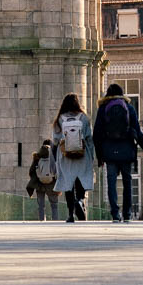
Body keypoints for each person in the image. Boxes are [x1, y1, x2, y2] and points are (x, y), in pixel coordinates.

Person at [93, 82, 143, 222]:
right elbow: (137, 132)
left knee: (111, 183)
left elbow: (96, 134)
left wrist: (99, 156)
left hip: (109, 151)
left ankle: (115, 214)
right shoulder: (129, 108)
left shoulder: (103, 109)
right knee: (127, 183)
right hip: (127, 150)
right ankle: (127, 214)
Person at [51, 92, 94, 221]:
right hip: (82, 154)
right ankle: (80, 201)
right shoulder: (84, 118)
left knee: (68, 185)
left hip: (65, 156)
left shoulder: (60, 119)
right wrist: (92, 156)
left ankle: (70, 214)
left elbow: (55, 139)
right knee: (80, 181)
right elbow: (89, 138)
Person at [25, 139, 60, 220]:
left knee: (41, 206)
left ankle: (41, 221)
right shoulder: (54, 157)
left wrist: (37, 178)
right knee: (54, 205)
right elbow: (57, 171)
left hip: (39, 185)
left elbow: (31, 171)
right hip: (52, 185)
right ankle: (55, 222)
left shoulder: (37, 157)